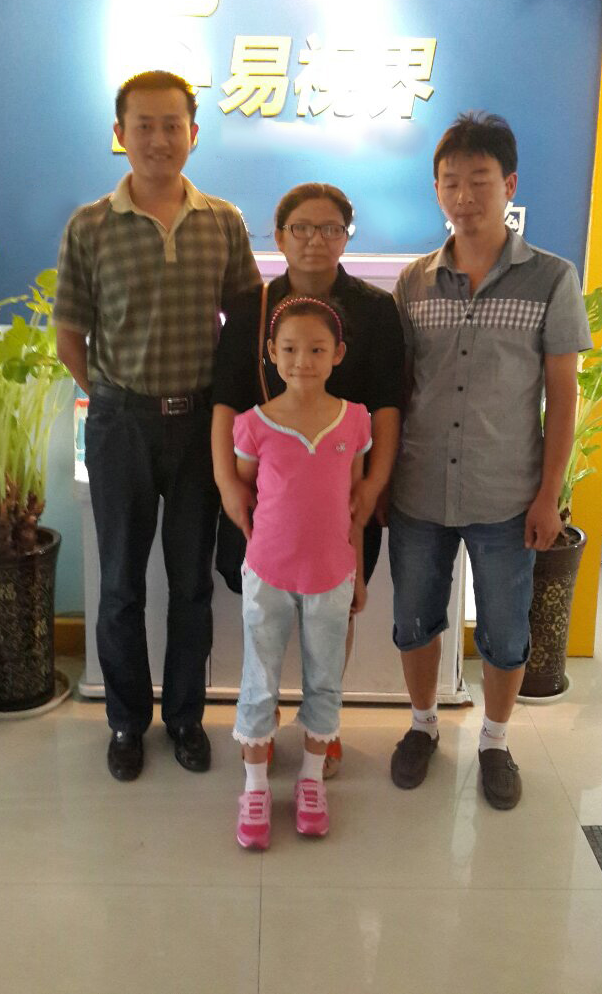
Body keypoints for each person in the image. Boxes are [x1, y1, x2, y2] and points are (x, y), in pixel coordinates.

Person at [53, 70, 261, 781]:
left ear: (194, 134)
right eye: (143, 125)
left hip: (201, 426)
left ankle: (184, 719)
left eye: (173, 124)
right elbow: (70, 336)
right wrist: (114, 398)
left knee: (191, 582)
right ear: (120, 135)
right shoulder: (89, 226)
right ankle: (125, 721)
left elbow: (246, 326)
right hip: (121, 426)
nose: (159, 138)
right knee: (119, 584)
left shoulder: (223, 221)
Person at [388, 112, 592, 809]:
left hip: (508, 495)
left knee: (505, 631)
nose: (464, 195)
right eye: (451, 181)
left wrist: (548, 495)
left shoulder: (552, 278)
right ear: (436, 190)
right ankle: (422, 726)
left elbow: (562, 396)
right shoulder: (413, 282)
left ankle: (497, 741)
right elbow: (399, 390)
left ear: (509, 184)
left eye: (480, 180)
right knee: (414, 619)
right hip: (418, 489)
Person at [211, 183, 404, 777]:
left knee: (335, 609)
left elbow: (389, 404)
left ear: (347, 236)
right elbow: (225, 401)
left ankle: (323, 727)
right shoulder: (250, 308)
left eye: (330, 228)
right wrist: (227, 482)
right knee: (264, 614)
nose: (315, 240)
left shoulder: (375, 310)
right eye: (301, 227)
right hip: (266, 493)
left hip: (343, 493)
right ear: (278, 236)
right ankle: (261, 728)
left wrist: (373, 484)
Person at [231, 297, 371, 849]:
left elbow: (354, 503)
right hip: (267, 572)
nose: (302, 361)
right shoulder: (253, 424)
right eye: (289, 349)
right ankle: (255, 786)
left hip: (332, 574)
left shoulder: (354, 420)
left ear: (337, 353)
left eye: (316, 349)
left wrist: (358, 571)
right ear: (272, 352)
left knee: (325, 678)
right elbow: (246, 490)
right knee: (259, 677)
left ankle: (311, 781)